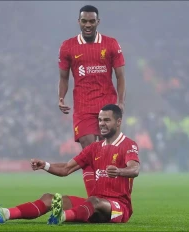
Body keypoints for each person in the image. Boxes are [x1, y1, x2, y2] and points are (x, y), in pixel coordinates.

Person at [0, 104, 139, 225]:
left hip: (119, 207)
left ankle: (61, 216)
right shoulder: (94, 148)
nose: (102, 124)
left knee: (94, 201)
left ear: (118, 122)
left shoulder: (128, 144)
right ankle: (3, 214)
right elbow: (66, 169)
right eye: (100, 120)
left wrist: (119, 171)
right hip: (94, 203)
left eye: (107, 120)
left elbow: (135, 168)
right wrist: (45, 165)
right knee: (49, 198)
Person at [57, 5, 126, 197]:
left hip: (107, 104)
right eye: (84, 21)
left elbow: (120, 76)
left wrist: (121, 102)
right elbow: (64, 78)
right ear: (79, 22)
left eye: (91, 21)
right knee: (88, 151)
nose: (88, 25)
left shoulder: (111, 44)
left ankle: (109, 194)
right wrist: (61, 97)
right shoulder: (68, 46)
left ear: (98, 22)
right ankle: (94, 197)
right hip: (83, 106)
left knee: (106, 152)